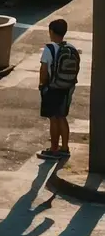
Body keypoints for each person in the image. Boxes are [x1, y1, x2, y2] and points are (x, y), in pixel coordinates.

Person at [39, 18, 79, 159]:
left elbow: (44, 70)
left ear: (51, 31)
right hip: (67, 87)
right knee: (62, 117)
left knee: (53, 118)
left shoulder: (49, 49)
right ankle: (65, 147)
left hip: (53, 87)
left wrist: (42, 85)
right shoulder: (71, 48)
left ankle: (54, 149)